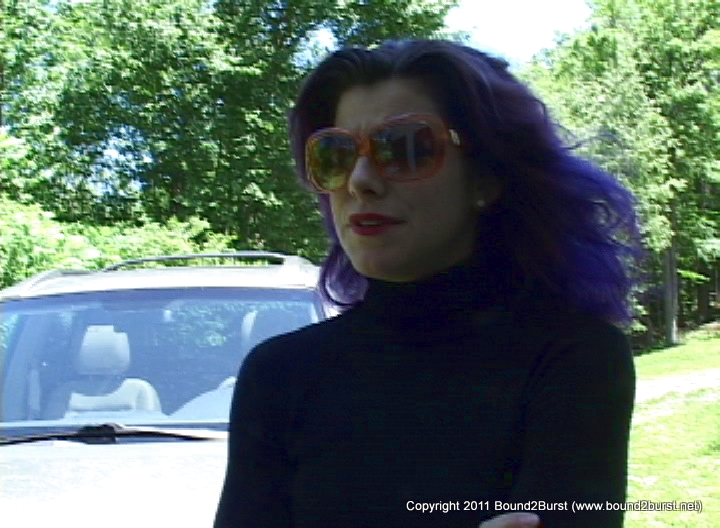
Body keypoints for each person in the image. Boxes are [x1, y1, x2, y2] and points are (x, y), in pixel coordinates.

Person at [214, 39, 642, 528]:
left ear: (485, 178)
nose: (360, 180)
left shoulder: (573, 357)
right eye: (336, 155)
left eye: (405, 148)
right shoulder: (278, 374)